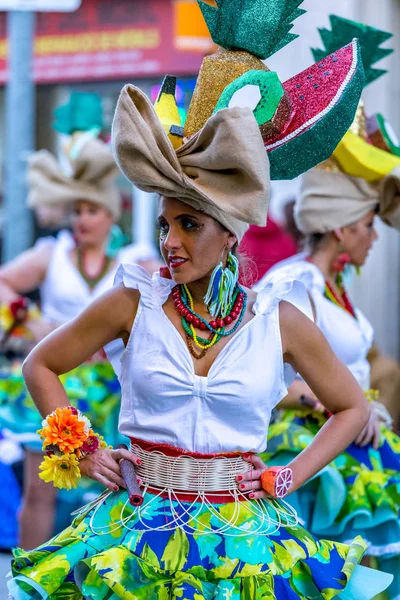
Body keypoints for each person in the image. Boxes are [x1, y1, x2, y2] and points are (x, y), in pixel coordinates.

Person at [8, 88, 395, 600]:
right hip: (139, 533)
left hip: (244, 541)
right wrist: (83, 450)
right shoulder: (132, 303)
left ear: (231, 234)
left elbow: (349, 407)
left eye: (189, 225)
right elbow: (40, 366)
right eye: (165, 224)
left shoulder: (277, 318)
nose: (170, 241)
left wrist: (288, 478)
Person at [256, 126, 400, 598]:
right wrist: (325, 404)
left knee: (362, 572)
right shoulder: (295, 282)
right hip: (308, 450)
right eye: (366, 225)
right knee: (322, 575)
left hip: (355, 441)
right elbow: (258, 371)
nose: (374, 238)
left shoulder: (334, 288)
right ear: (341, 228)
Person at [0, 136, 159, 550]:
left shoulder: (134, 259)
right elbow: (4, 283)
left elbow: (172, 290)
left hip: (112, 393)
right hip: (56, 385)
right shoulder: (51, 255)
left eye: (92, 211)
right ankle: (26, 581)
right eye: (76, 211)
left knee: (118, 490)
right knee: (40, 490)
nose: (82, 220)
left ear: (111, 216)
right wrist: (34, 322)